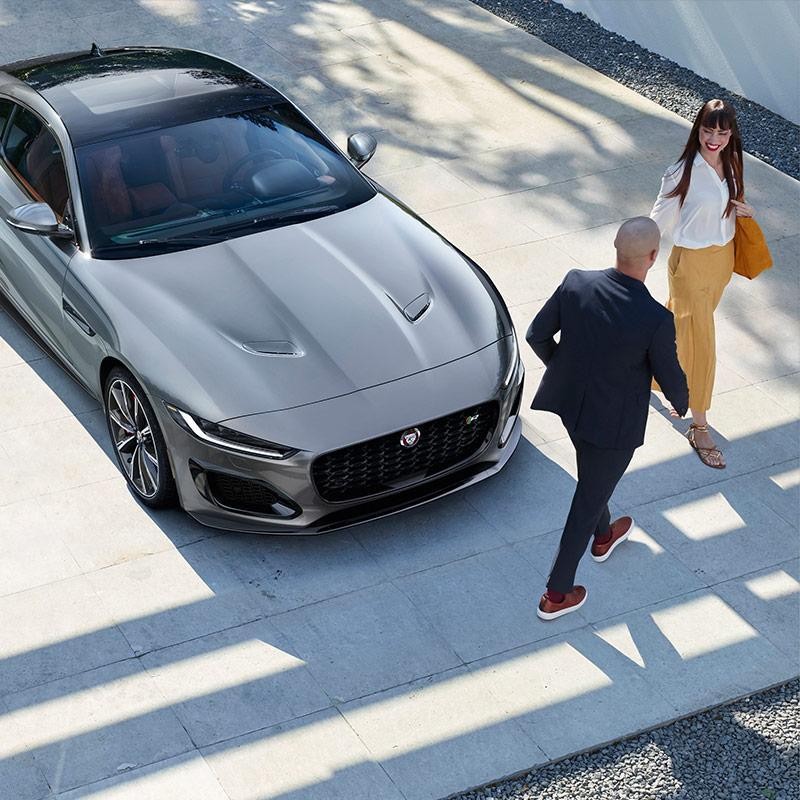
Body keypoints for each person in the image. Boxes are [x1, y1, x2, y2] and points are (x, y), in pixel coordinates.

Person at [527, 217, 688, 620]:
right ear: (653, 257)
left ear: (616, 245)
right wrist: (683, 404)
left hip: (572, 409)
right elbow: (669, 376)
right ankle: (556, 594)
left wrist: (565, 372)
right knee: (586, 500)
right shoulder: (654, 318)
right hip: (613, 428)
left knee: (592, 481)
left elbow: (537, 335)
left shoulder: (576, 282)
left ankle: (604, 537)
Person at [649, 99, 754, 469]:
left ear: (730, 134)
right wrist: (631, 259)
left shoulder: (733, 162)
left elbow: (730, 203)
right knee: (701, 343)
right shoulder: (682, 171)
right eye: (708, 130)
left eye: (721, 132)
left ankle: (645, 362)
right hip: (691, 264)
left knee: (678, 325)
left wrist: (745, 210)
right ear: (698, 129)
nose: (714, 138)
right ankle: (699, 423)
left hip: (721, 261)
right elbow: (658, 218)